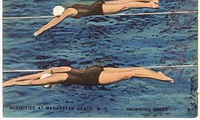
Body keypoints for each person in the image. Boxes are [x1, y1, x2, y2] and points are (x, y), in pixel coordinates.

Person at [33, 0, 159, 36]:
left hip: (98, 9)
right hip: (97, 4)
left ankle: (150, 5)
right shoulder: (70, 7)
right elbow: (55, 20)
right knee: (124, 1)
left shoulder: (68, 12)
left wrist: (41, 30)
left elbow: (56, 22)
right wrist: (41, 28)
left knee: (124, 6)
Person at [3, 65, 174, 88]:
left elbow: (32, 82)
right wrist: (12, 80)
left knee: (130, 74)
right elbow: (35, 76)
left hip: (95, 79)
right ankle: (157, 74)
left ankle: (162, 78)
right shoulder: (54, 70)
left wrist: (10, 85)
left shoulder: (54, 78)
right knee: (134, 70)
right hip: (93, 69)